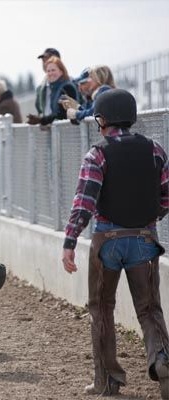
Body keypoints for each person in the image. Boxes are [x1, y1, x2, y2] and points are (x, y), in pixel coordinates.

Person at [61, 89, 169, 398]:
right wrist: (150, 219)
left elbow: (84, 203)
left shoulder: (97, 154)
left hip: (106, 240)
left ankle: (107, 380)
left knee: (102, 309)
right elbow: (166, 196)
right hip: (145, 239)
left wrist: (69, 242)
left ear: (102, 119)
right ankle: (162, 359)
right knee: (150, 310)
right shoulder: (155, 150)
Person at [26, 56, 77, 127]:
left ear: (61, 71)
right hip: (60, 130)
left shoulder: (67, 87)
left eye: (53, 70)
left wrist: (41, 120)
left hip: (69, 131)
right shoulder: (54, 89)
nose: (50, 73)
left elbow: (62, 114)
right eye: (48, 71)